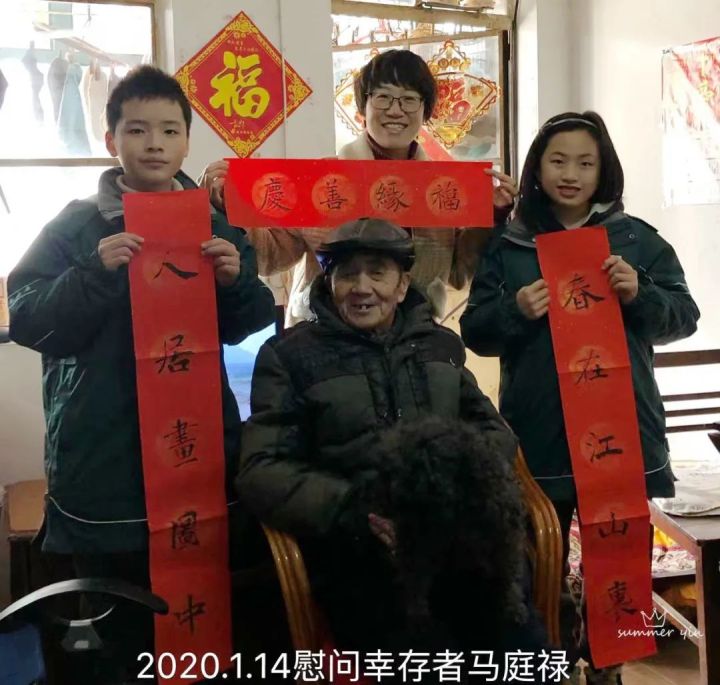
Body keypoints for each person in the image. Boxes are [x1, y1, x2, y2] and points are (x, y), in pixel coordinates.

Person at [7, 65, 275, 682]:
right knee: (114, 627)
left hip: (194, 452)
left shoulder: (213, 223)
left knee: (199, 609)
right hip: (104, 458)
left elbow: (248, 321)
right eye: (137, 129)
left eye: (169, 130)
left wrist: (236, 282)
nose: (154, 143)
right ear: (111, 141)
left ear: (186, 141)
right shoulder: (75, 226)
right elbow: (27, 319)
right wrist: (92, 274)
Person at [236, 218, 548, 673]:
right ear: (330, 282)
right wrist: (355, 508)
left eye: (377, 273)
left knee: (521, 648)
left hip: (458, 539)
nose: (361, 288)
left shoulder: (439, 345)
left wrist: (460, 489)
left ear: (402, 286)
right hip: (362, 550)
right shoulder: (290, 356)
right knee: (429, 658)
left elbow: (494, 432)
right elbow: (262, 469)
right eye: (347, 274)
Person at [459, 111, 700, 685]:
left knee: (618, 556)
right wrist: (515, 310)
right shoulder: (510, 244)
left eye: (585, 163)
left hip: (623, 428)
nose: (571, 174)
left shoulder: (637, 240)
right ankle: (549, 660)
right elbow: (475, 332)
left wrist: (641, 294)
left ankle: (610, 666)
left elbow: (684, 316)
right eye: (558, 161)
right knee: (536, 556)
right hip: (540, 428)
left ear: (603, 170)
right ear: (537, 169)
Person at [200, 49, 517, 326]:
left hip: (412, 339)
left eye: (409, 100)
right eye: (383, 97)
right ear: (363, 107)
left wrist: (491, 214)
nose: (395, 110)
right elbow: (269, 256)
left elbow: (459, 274)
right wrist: (233, 207)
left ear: (426, 110)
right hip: (325, 335)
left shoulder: (442, 188)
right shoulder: (324, 179)